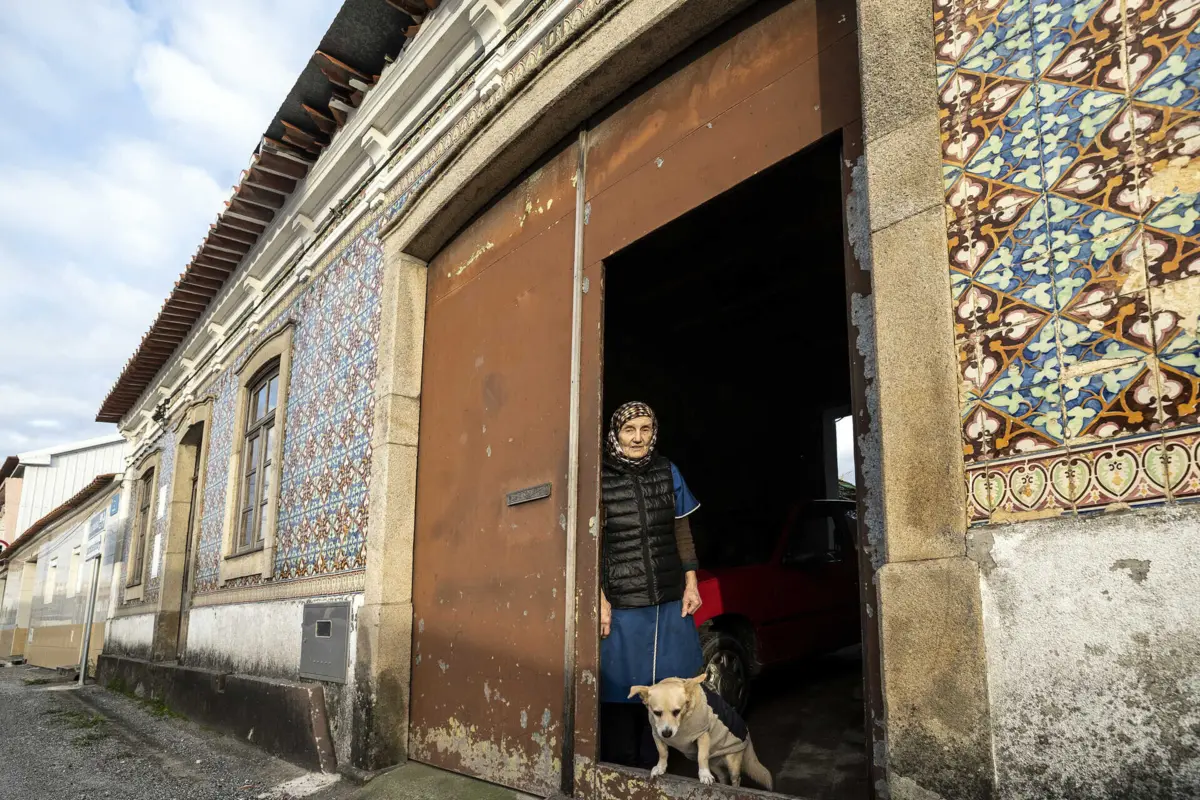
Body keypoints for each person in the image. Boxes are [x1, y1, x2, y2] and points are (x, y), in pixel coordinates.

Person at [599, 401, 704, 768]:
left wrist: (691, 583)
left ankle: (657, 768)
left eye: (645, 429)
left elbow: (682, 531)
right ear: (616, 434)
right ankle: (619, 768)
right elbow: (590, 542)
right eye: (629, 430)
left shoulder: (667, 471)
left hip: (667, 596)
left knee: (668, 689)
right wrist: (599, 597)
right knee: (619, 688)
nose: (638, 437)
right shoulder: (599, 476)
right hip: (622, 600)